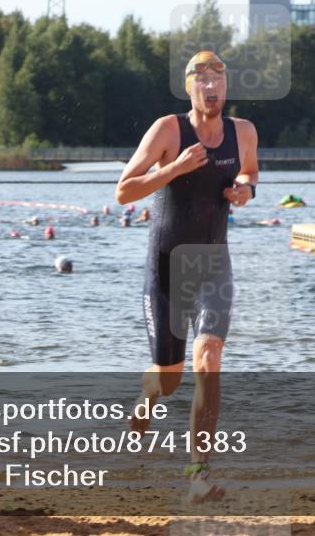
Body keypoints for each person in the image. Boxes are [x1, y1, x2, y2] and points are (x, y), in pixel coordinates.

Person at [115, 50, 259, 504]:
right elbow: (123, 191)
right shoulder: (167, 130)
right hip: (166, 270)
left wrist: (246, 190)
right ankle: (148, 396)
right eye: (203, 78)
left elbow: (251, 171)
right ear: (189, 86)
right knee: (170, 379)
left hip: (213, 265)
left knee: (209, 359)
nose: (212, 85)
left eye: (219, 77)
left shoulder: (244, 132)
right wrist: (174, 168)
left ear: (226, 87)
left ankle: (197, 473)